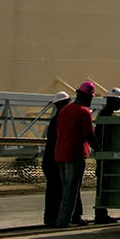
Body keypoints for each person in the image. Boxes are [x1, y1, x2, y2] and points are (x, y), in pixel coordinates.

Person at [48, 81, 98, 227]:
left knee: (66, 189)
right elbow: (89, 134)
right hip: (74, 154)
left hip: (60, 154)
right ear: (87, 97)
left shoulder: (64, 111)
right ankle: (64, 221)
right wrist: (99, 150)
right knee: (71, 189)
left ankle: (66, 218)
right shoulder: (84, 112)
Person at [40, 93, 70, 227]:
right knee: (56, 189)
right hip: (55, 160)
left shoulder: (56, 120)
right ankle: (53, 218)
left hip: (52, 159)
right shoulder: (59, 120)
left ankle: (51, 217)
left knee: (54, 190)